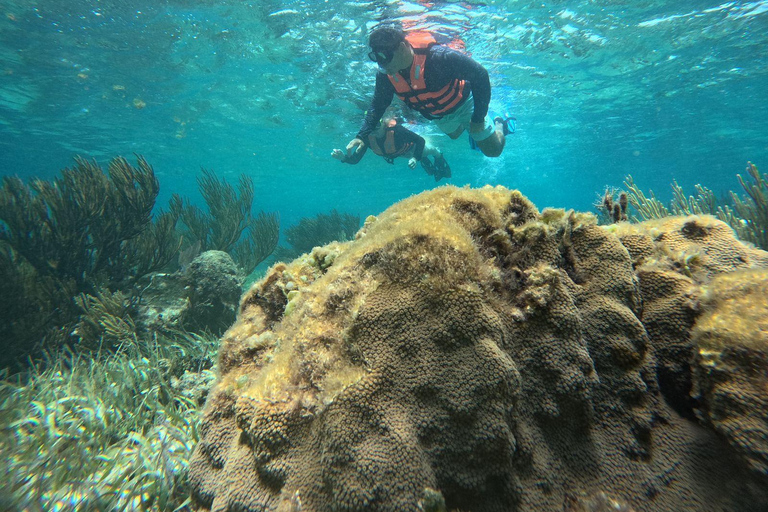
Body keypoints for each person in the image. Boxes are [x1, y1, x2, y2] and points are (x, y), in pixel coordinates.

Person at [343, 25, 514, 163]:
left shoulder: (438, 58)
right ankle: (473, 130)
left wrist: (477, 119)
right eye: (377, 58)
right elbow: (378, 104)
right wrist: (362, 135)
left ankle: (498, 120)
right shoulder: (386, 74)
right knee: (454, 135)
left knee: (493, 151)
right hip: (438, 114)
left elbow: (481, 75)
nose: (383, 65)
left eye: (386, 57)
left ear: (402, 47)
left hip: (464, 104)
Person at [332, 113, 452, 181]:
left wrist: (415, 158)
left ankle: (439, 156)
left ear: (383, 124)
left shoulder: (397, 130)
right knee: (420, 158)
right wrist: (343, 157)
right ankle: (423, 160)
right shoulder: (368, 139)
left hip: (412, 148)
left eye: (376, 127)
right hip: (400, 153)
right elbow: (355, 160)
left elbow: (420, 140)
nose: (374, 132)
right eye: (370, 129)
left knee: (431, 150)